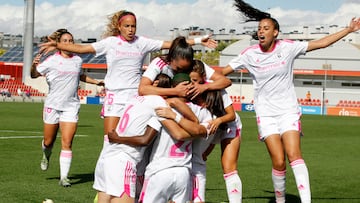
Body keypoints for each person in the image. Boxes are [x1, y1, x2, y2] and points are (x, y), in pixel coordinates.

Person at [222, 1, 360, 202]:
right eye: (259, 28)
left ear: (276, 32)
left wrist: (348, 29)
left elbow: (321, 43)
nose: (261, 31)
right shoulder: (249, 54)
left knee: (294, 154)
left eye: (266, 28)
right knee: (278, 162)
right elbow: (222, 73)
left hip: (288, 110)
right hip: (266, 114)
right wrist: (198, 78)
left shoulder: (288, 47)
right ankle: (280, 200)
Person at [39, 10, 217, 138]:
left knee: (132, 136)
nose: (131, 29)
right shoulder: (110, 43)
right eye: (127, 26)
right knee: (110, 137)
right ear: (119, 27)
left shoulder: (142, 42)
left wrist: (200, 40)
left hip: (134, 96)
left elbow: (172, 44)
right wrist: (58, 45)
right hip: (114, 96)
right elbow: (82, 48)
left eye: (133, 26)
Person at [31, 28, 104, 187]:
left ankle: (64, 177)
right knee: (49, 141)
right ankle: (46, 154)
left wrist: (97, 82)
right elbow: (34, 75)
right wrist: (33, 65)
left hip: (71, 106)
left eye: (71, 41)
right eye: (66, 41)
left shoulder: (77, 60)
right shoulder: (51, 60)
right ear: (59, 43)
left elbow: (79, 75)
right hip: (52, 105)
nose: (69, 43)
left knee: (67, 142)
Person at [139, 73, 213, 203]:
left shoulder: (162, 106)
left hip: (159, 169)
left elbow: (178, 134)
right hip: (184, 172)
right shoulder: (203, 112)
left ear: (173, 87)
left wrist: (175, 115)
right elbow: (201, 131)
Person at [190, 60, 243, 203]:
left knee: (228, 167)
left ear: (203, 77)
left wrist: (219, 121)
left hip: (228, 125)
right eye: (190, 80)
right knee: (200, 157)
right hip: (211, 128)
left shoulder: (217, 89)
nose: (192, 83)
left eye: (195, 80)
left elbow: (231, 115)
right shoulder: (188, 91)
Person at [138, 36, 231, 99]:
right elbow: (142, 89)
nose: (182, 71)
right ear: (171, 58)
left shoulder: (196, 65)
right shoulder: (159, 63)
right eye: (178, 68)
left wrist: (204, 87)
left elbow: (225, 81)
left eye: (186, 68)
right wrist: (175, 91)